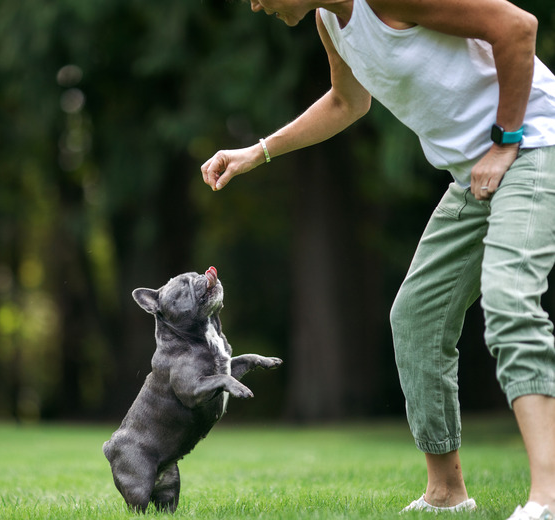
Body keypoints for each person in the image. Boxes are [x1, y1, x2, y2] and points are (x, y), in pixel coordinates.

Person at [200, 0, 555, 518]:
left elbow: (518, 28)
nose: (254, 4)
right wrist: (258, 151)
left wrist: (505, 142)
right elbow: (347, 102)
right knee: (417, 318)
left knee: (509, 301)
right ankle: (446, 494)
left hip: (532, 146)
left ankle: (547, 498)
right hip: (474, 175)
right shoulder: (328, 20)